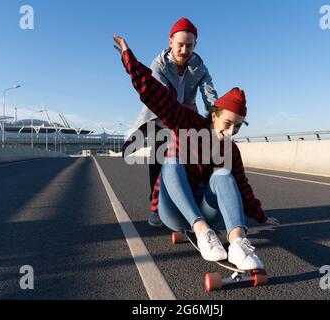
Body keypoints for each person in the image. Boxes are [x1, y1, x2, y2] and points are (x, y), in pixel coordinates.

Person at [113, 35, 279, 270]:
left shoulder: (230, 149)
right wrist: (128, 58)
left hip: (207, 210)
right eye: (228, 123)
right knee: (171, 161)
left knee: (224, 175)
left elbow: (242, 187)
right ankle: (202, 233)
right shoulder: (187, 121)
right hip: (173, 211)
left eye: (238, 127)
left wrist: (260, 216)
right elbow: (154, 93)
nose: (231, 131)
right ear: (214, 115)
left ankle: (238, 243)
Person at [123, 18, 218, 228]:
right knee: (159, 155)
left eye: (189, 45)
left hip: (187, 117)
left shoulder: (199, 66)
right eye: (180, 45)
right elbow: (161, 99)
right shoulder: (159, 64)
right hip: (160, 115)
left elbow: (209, 93)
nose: (184, 50)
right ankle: (155, 208)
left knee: (194, 159)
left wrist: (216, 117)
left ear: (195, 45)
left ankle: (191, 202)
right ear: (170, 41)